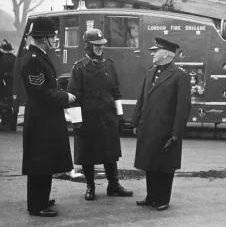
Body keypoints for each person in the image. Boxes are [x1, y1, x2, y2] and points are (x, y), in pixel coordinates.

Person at [67, 28, 133, 201]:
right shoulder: (79, 68)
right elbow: (73, 98)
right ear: (87, 45)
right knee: (88, 154)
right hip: (87, 118)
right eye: (96, 45)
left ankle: (114, 185)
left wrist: (120, 116)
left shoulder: (109, 66)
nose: (100, 48)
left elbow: (116, 92)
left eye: (101, 45)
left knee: (110, 153)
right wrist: (77, 123)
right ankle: (90, 186)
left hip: (108, 116)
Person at [21, 17, 75, 217]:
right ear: (44, 38)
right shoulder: (33, 60)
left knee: (46, 161)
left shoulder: (39, 55)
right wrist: (64, 97)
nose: (54, 40)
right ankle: (37, 205)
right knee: (39, 162)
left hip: (45, 118)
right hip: (40, 120)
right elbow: (40, 92)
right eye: (52, 36)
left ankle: (42, 199)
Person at [131, 37, 191, 211]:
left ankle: (163, 199)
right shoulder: (150, 72)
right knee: (150, 162)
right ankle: (151, 197)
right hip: (148, 125)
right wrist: (135, 121)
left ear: (166, 54)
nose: (152, 53)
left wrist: (176, 133)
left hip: (166, 129)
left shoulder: (180, 75)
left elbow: (183, 107)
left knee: (165, 166)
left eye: (155, 51)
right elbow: (141, 98)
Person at [0, 39, 16, 130]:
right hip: (12, 85)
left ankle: (6, 122)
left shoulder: (2, 60)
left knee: (4, 103)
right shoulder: (14, 58)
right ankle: (10, 122)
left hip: (4, 84)